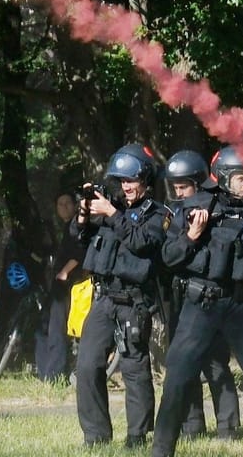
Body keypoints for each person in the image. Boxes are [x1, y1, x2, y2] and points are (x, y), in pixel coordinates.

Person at [150, 146, 243, 457]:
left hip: (241, 305)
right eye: (242, 178)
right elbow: (168, 257)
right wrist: (192, 235)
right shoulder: (196, 206)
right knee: (177, 379)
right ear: (225, 177)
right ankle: (160, 452)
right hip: (201, 303)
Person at [74, 144, 169, 448]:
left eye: (133, 181)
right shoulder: (112, 208)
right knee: (87, 364)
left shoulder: (157, 215)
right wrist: (84, 213)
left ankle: (137, 436)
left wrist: (113, 213)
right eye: (122, 181)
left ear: (145, 180)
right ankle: (95, 435)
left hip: (133, 300)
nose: (127, 187)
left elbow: (141, 242)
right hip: (104, 298)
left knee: (134, 367)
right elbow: (82, 239)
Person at [157, 149, 241, 439]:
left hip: (209, 299)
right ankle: (192, 426)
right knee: (183, 362)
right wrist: (190, 236)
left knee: (215, 363)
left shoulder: (218, 211)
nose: (180, 194)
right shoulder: (178, 215)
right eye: (175, 187)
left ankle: (228, 428)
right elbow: (168, 255)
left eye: (185, 187)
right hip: (182, 297)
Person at [35, 192, 86, 382]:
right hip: (57, 285)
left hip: (69, 285)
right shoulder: (65, 228)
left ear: (75, 205)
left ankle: (55, 375)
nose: (63, 207)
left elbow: (80, 252)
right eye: (60, 204)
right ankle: (45, 373)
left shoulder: (76, 226)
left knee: (56, 329)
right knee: (43, 328)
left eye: (67, 203)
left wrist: (65, 272)